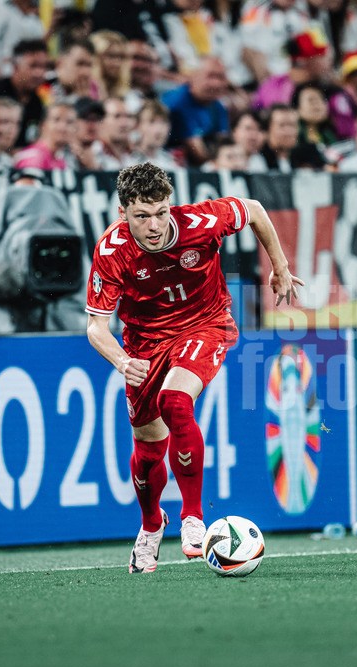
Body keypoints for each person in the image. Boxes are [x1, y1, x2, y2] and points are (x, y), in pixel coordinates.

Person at [85, 162, 302, 573]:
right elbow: (96, 327)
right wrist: (122, 360)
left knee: (175, 401)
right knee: (148, 451)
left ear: (172, 205)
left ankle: (193, 517)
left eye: (161, 212)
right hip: (144, 345)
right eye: (142, 216)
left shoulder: (200, 222)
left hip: (205, 324)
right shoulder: (112, 251)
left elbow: (254, 209)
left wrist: (280, 266)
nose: (154, 225)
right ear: (122, 213)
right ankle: (152, 525)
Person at [162, 56, 230, 166]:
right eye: (211, 76)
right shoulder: (178, 102)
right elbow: (199, 154)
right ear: (193, 76)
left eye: (221, 77)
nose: (216, 83)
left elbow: (225, 143)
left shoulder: (218, 106)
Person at [0, 39, 48, 149]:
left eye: (43, 67)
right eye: (33, 66)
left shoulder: (38, 102)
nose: (39, 73)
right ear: (15, 67)